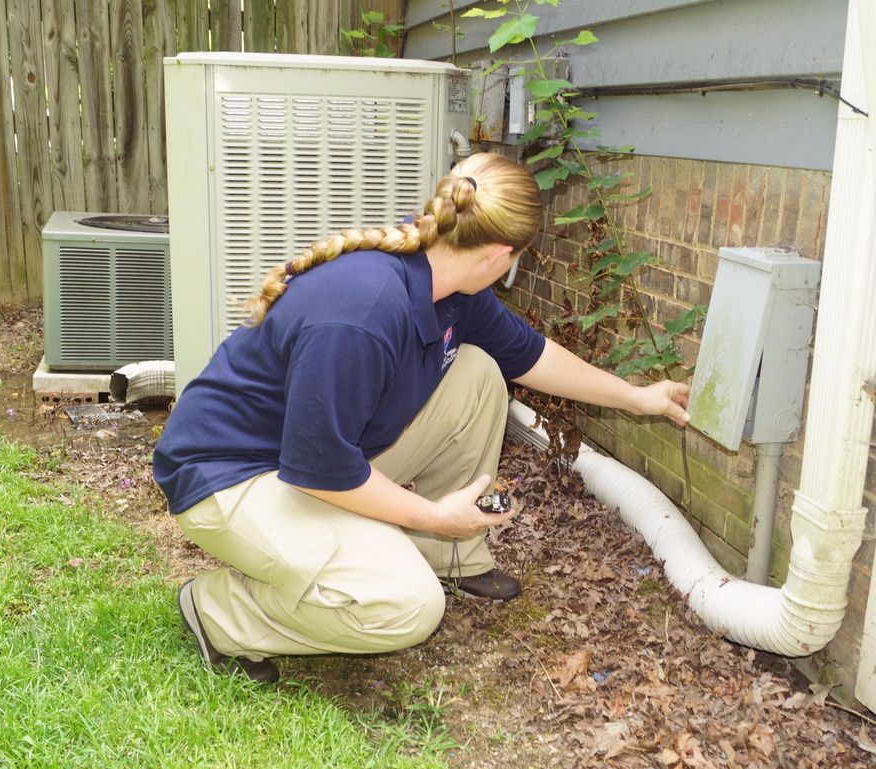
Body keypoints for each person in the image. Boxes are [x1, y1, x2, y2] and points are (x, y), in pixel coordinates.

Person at [153, 152, 690, 684]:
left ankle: (446, 556)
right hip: (230, 478)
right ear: (499, 255)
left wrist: (638, 397)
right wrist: (431, 514)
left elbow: (533, 356)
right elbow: (319, 471)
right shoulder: (363, 314)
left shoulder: (449, 281)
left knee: (480, 372)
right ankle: (220, 612)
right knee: (408, 606)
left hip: (310, 455)